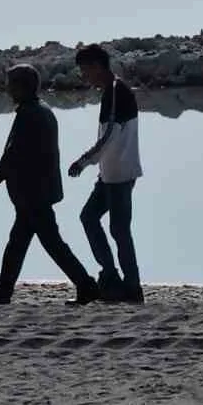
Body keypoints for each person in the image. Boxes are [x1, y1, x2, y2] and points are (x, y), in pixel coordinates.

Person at [0, 64, 101, 306]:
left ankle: (86, 285)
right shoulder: (40, 110)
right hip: (37, 193)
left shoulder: (30, 114)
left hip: (33, 194)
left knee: (48, 245)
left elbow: (12, 157)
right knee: (23, 244)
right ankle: (4, 292)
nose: (7, 89)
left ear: (22, 87)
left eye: (11, 84)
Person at [67, 44, 144, 303]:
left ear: (96, 66)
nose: (84, 76)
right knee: (90, 218)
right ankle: (112, 277)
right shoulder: (112, 91)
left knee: (118, 230)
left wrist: (83, 161)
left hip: (119, 173)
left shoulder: (114, 92)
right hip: (111, 173)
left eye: (85, 70)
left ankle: (129, 287)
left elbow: (110, 135)